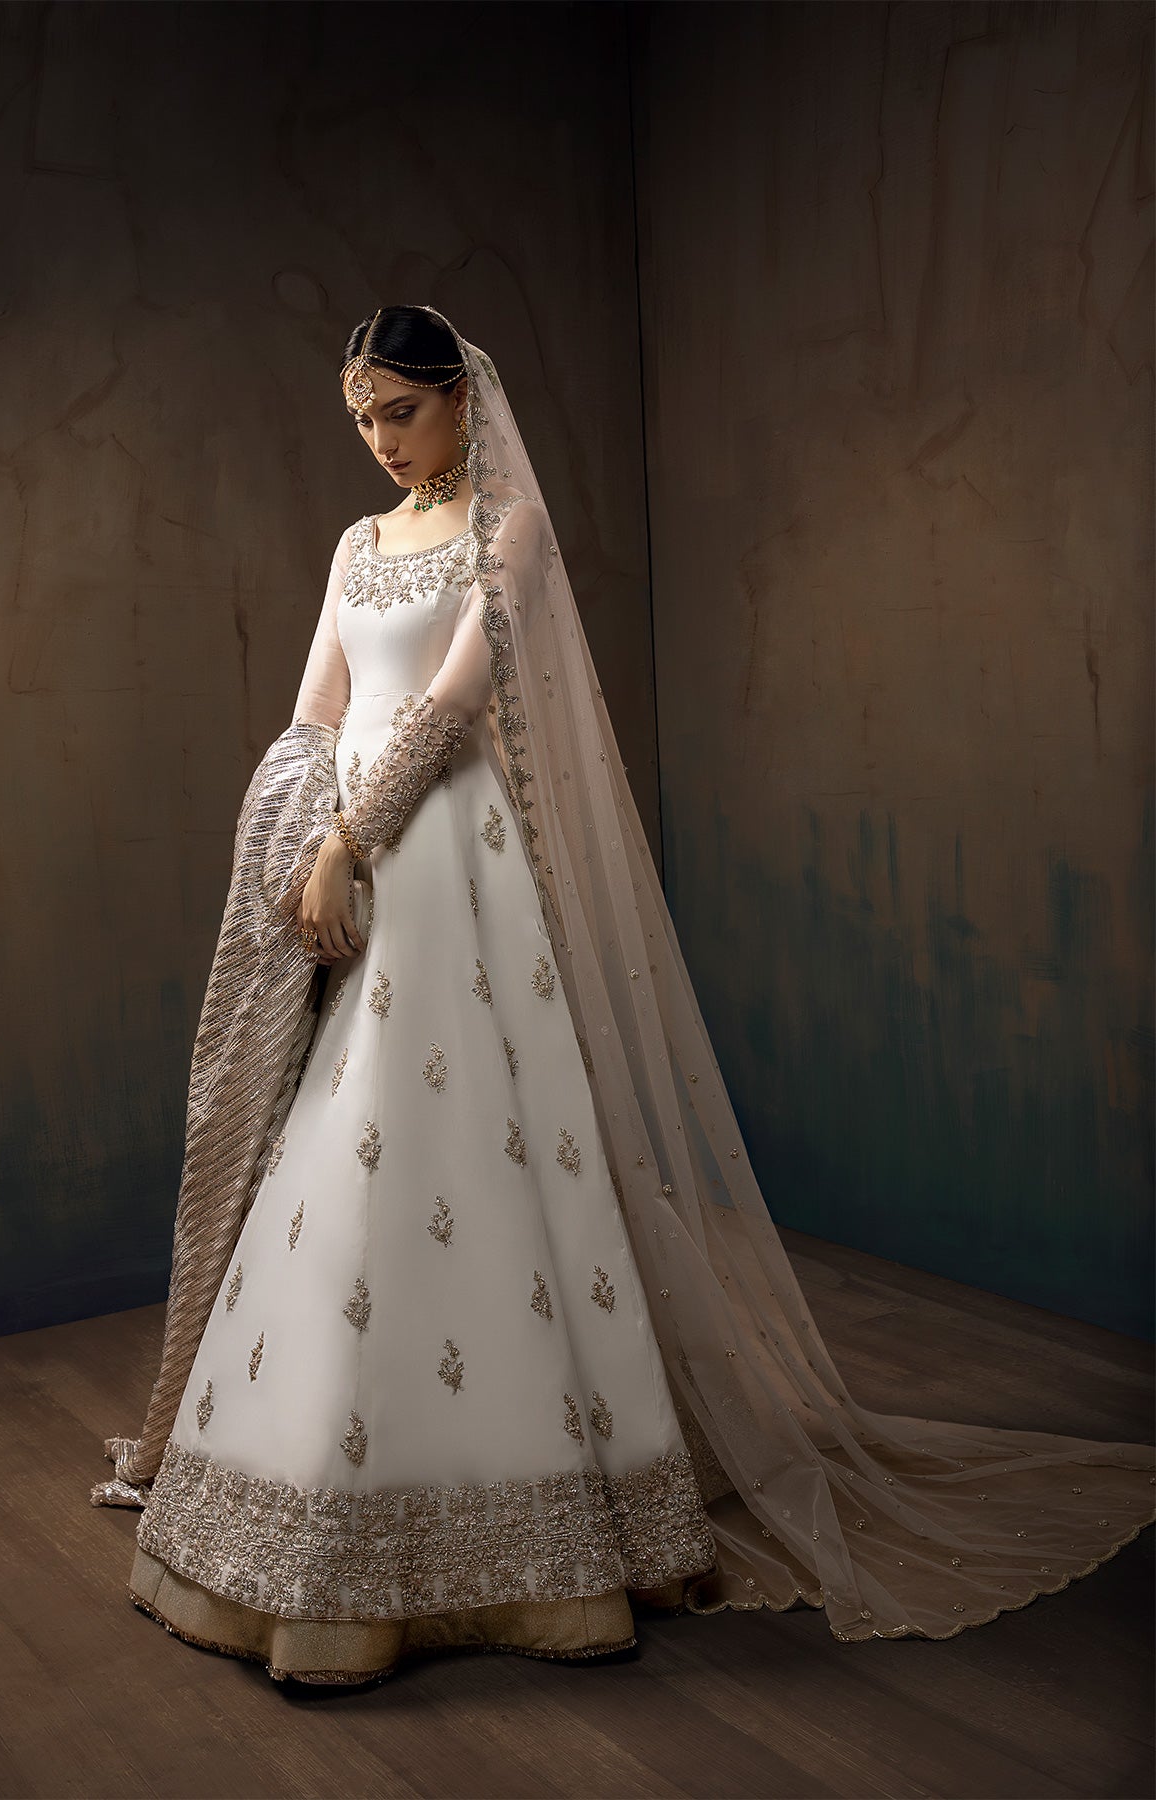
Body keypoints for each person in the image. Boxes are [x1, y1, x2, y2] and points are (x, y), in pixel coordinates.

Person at [91, 304, 1155, 1689]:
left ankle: (544, 1538)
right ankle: (296, 1508)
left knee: (462, 1151)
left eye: (397, 414)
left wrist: (359, 839)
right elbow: (315, 708)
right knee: (331, 1159)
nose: (379, 442)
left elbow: (457, 707)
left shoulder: (508, 533)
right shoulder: (356, 547)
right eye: (359, 421)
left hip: (446, 870)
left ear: (461, 401)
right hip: (346, 869)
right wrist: (307, 843)